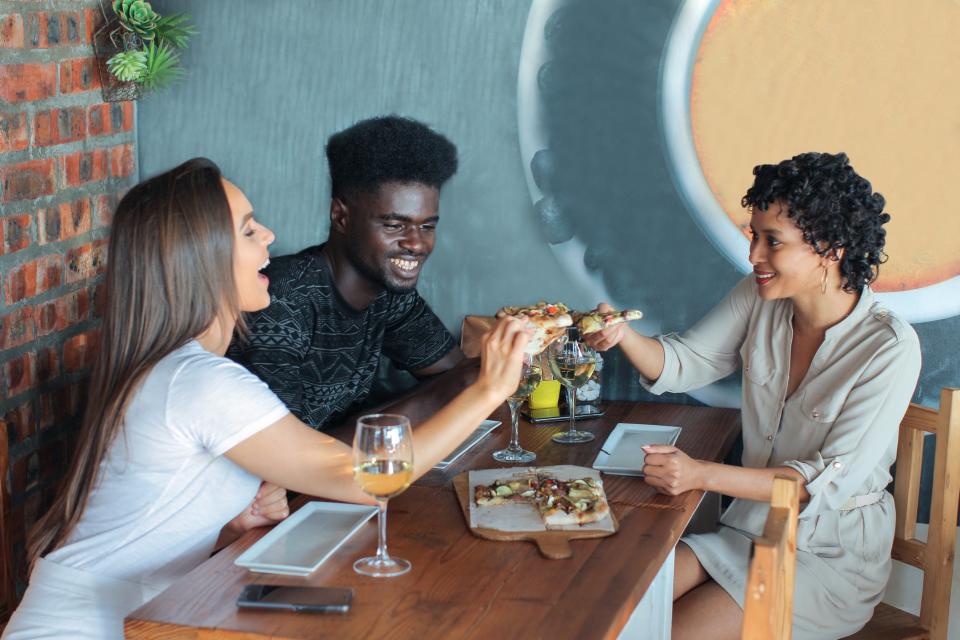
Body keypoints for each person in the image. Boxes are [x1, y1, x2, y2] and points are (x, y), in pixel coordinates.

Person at [3, 159, 527, 639]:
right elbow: (366, 478)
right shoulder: (200, 381)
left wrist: (230, 523)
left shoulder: (180, 370)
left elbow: (144, 524)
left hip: (143, 617)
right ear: (201, 260)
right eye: (248, 229)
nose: (270, 235)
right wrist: (489, 389)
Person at [585, 152, 921, 640]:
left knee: (668, 633)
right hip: (744, 533)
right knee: (612, 599)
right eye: (754, 236)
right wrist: (622, 337)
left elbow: (817, 485)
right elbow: (687, 362)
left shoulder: (889, 347)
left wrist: (699, 474)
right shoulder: (760, 296)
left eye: (772, 242)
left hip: (827, 562)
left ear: (830, 247)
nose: (753, 256)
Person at [228, 115, 469, 430]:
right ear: (340, 216)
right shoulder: (279, 303)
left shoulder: (388, 292)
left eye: (426, 226)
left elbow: (453, 375)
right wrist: (378, 428)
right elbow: (292, 456)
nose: (415, 243)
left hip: (346, 474)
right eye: (395, 225)